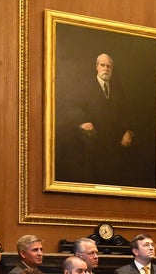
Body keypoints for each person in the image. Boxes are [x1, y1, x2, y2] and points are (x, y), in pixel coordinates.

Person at [58, 52, 144, 187]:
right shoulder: (85, 87)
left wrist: (129, 131)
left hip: (116, 148)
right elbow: (69, 105)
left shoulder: (118, 90)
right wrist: (82, 121)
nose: (106, 69)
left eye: (109, 66)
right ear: (97, 67)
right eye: (103, 65)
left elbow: (127, 113)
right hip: (93, 147)